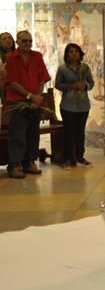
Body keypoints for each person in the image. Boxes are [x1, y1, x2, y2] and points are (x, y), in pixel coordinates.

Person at [4, 31, 51, 179]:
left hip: (35, 101)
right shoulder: (11, 58)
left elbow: (42, 79)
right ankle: (14, 165)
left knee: (33, 133)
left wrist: (38, 97)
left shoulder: (37, 56)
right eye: (24, 41)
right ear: (17, 41)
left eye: (30, 41)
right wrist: (30, 96)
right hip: (18, 101)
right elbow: (12, 82)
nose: (28, 44)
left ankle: (29, 162)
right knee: (18, 134)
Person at [55, 43, 94, 168]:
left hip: (83, 105)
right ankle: (69, 158)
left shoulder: (85, 68)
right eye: (71, 52)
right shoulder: (62, 68)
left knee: (80, 131)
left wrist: (85, 85)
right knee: (69, 132)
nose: (74, 54)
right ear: (67, 54)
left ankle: (80, 156)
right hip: (68, 105)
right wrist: (71, 86)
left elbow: (91, 83)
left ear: (80, 53)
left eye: (76, 51)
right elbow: (58, 84)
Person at [0, 31, 16, 99]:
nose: (8, 40)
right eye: (4, 39)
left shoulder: (19, 55)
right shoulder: (1, 58)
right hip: (4, 90)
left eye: (10, 38)